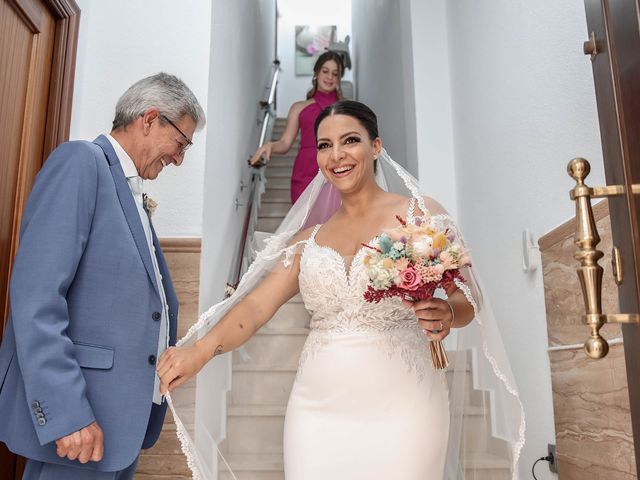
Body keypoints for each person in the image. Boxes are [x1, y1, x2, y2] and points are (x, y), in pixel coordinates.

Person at [158, 101, 524, 479]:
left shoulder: (420, 215)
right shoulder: (307, 241)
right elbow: (252, 309)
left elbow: (468, 295)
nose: (337, 155)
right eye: (324, 145)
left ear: (376, 146)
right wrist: (199, 351)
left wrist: (449, 313)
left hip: (405, 404)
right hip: (316, 410)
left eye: (350, 140)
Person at [0, 72, 205, 480]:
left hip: (118, 423)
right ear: (150, 119)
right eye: (181, 143)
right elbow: (36, 298)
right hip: (79, 422)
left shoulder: (128, 188)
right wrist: (66, 413)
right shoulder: (81, 162)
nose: (179, 159)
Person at [250, 50, 344, 203]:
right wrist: (270, 145)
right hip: (305, 173)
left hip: (337, 169)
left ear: (339, 79)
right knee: (306, 226)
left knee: (335, 225)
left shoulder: (346, 109)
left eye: (335, 74)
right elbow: (285, 143)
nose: (329, 77)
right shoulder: (298, 108)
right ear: (316, 73)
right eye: (325, 71)